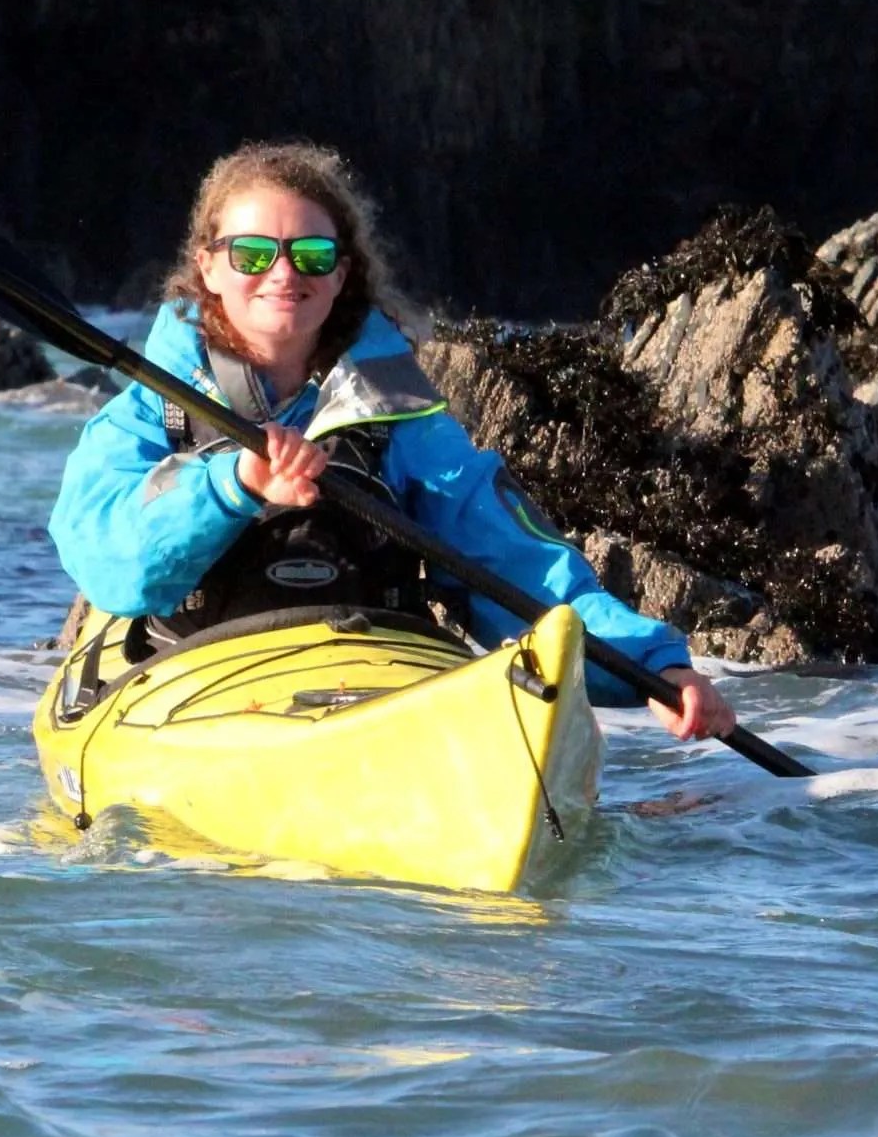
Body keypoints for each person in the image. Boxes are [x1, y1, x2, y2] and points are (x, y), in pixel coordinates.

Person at [48, 142, 738, 742]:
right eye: (252, 253)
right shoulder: (150, 413)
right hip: (195, 683)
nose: (284, 273)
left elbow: (515, 563)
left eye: (312, 254)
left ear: (341, 273)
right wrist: (235, 485)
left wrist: (653, 668)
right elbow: (108, 562)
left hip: (368, 679)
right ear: (209, 268)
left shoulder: (397, 419)